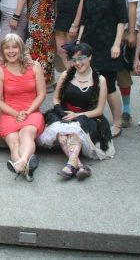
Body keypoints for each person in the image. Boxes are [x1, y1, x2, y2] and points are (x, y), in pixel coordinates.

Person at [37, 43, 115, 180]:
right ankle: (77, 165)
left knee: (75, 129)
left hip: (88, 116)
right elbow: (56, 99)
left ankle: (70, 165)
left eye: (81, 58)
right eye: (74, 60)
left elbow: (99, 110)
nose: (77, 63)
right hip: (65, 113)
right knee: (62, 131)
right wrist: (61, 111)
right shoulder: (66, 75)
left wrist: (77, 115)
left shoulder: (100, 80)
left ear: (90, 57)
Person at [77, 0, 127, 138]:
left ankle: (117, 122)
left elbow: (122, 20)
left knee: (110, 85)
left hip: (108, 45)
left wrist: (116, 44)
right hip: (90, 45)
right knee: (91, 83)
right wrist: (79, 45)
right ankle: (95, 120)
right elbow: (84, 21)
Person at [95, 0, 139, 128]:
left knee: (120, 74)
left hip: (118, 33)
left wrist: (131, 32)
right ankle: (98, 112)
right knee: (98, 74)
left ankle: (125, 112)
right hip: (98, 33)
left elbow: (132, 7)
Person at [0, 34, 46, 181]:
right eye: (7, 48)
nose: (11, 51)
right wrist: (16, 114)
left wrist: (28, 112)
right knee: (14, 142)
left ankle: (20, 165)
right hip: (9, 113)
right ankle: (27, 169)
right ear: (2, 51)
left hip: (32, 111)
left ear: (21, 49)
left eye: (14, 47)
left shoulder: (34, 66)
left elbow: (41, 94)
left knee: (27, 134)